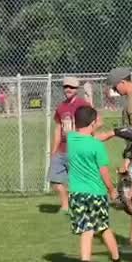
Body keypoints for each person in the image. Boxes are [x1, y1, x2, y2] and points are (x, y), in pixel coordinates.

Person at [66, 105, 126, 262]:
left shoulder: (71, 139)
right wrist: (112, 190)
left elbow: (87, 135)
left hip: (76, 193)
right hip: (96, 193)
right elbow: (104, 172)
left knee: (86, 229)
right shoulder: (97, 146)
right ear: (92, 123)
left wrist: (107, 130)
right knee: (104, 228)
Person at [47, 76, 93, 212]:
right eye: (66, 87)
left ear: (77, 89)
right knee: (55, 180)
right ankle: (65, 205)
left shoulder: (82, 105)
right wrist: (54, 149)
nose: (68, 89)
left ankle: (80, 205)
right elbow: (58, 128)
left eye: (71, 87)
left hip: (77, 149)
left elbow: (95, 121)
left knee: (79, 180)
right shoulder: (61, 107)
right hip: (62, 148)